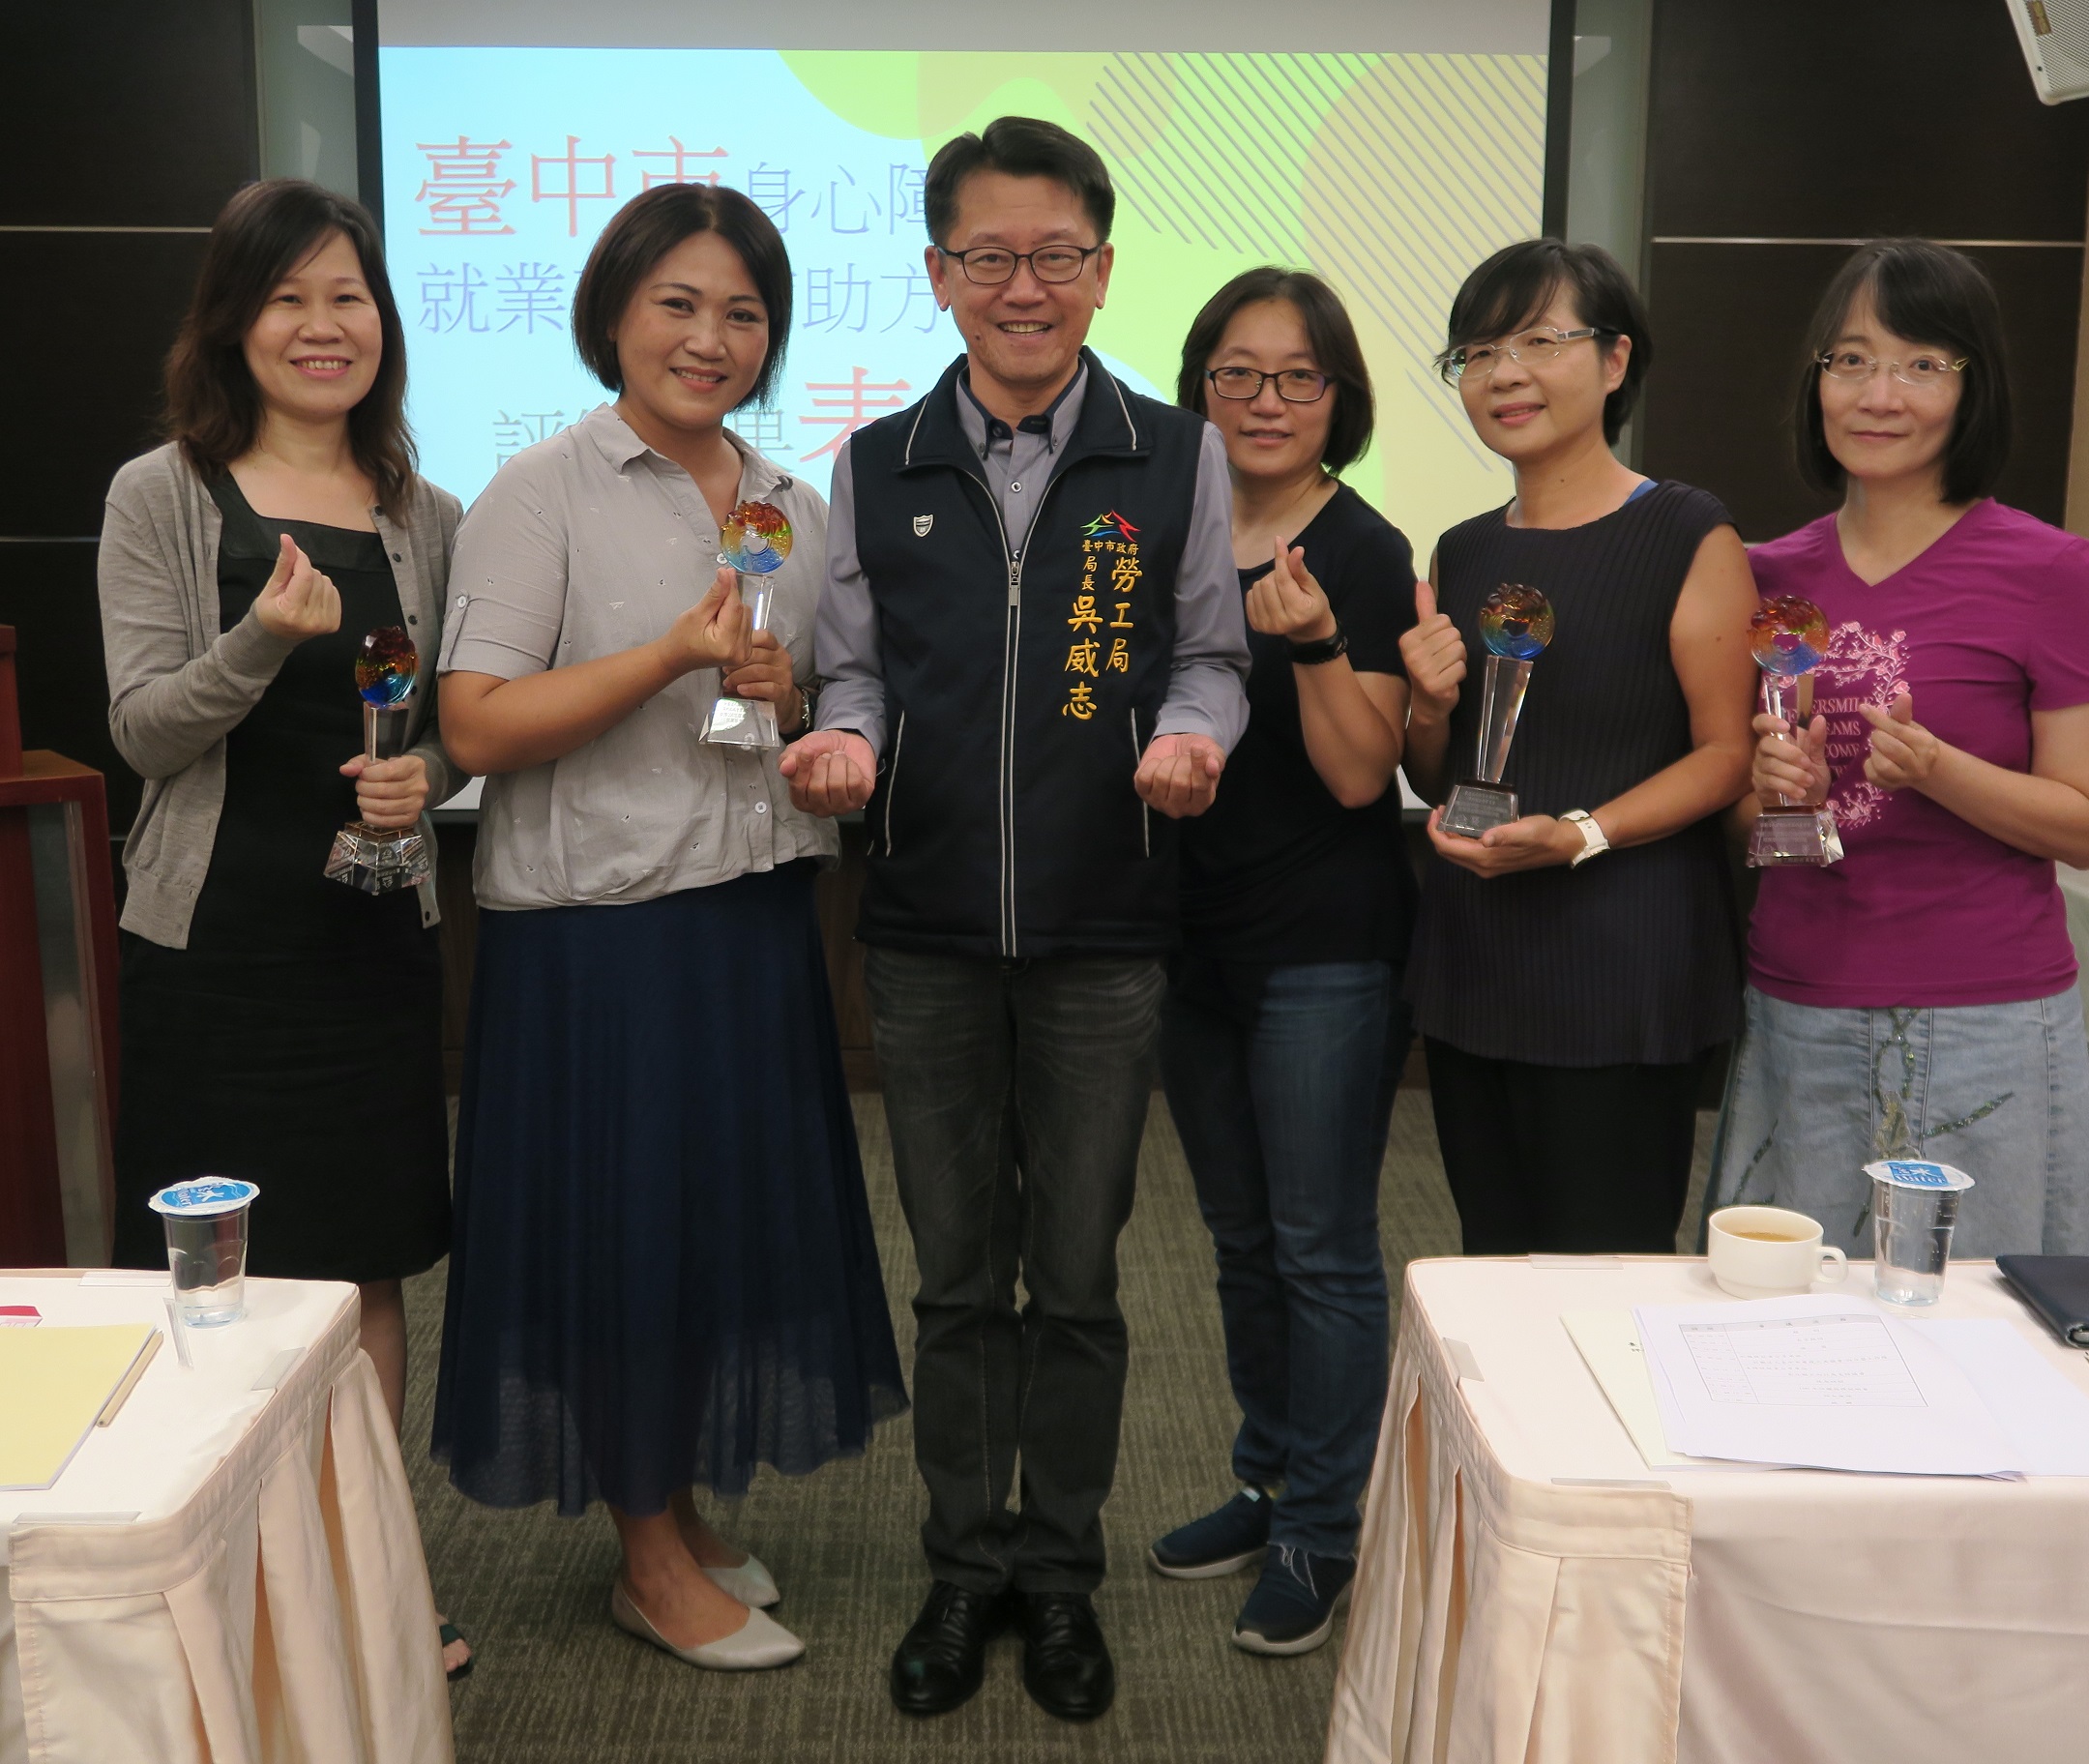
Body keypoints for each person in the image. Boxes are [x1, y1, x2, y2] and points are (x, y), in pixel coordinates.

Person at [780, 116, 1250, 1722]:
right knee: (955, 1278)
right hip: (918, 930)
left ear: (1101, 269)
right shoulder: (876, 464)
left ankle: (1058, 1572)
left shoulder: (1173, 456)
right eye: (989, 256)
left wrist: (1191, 737)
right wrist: (845, 743)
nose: (1022, 286)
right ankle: (960, 1562)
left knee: (1080, 1276)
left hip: (1104, 930)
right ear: (937, 273)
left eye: (1054, 254)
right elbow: (851, 669)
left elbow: (1209, 655)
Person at [430, 182, 906, 1673]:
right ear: (612, 317)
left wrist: (793, 702)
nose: (711, 339)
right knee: (625, 1240)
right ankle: (644, 1557)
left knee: (709, 1233)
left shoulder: (789, 505)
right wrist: (670, 655)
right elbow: (475, 724)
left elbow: (807, 706)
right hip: (602, 941)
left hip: (753, 917)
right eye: (678, 305)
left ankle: (678, 1505)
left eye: (743, 313)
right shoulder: (539, 491)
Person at [98, 179, 473, 1677]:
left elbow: (452, 730)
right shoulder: (162, 494)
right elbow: (142, 731)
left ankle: (367, 1596)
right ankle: (223, 1601)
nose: (325, 327)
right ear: (233, 325)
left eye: (349, 297)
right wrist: (260, 635)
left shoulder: (425, 513)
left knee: (363, 1276)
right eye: (288, 299)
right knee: (218, 1285)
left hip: (370, 946)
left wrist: (424, 780)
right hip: (212, 955)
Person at [1716, 239, 2089, 1256]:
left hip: (1982, 1013)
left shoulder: (2050, 573)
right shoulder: (1763, 577)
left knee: (1967, 1317)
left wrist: (1936, 769)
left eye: (1919, 365)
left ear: (1970, 387)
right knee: (1792, 1308)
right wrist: (1774, 794)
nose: (1877, 394)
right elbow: (1742, 819)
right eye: (1850, 360)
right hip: (1799, 1000)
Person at [1144, 269, 1414, 1658]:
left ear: (1335, 399)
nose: (1263, 401)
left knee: (1319, 1248)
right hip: (1183, 939)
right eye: (1235, 374)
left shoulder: (1361, 547)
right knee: (1238, 1239)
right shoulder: (1165, 530)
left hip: (1322, 949)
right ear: (1198, 386)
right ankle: (1264, 1479)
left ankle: (1324, 1522)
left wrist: (1311, 643)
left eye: (1295, 376)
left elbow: (1361, 776)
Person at [1400, 239, 1757, 1255]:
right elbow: (1442, 771)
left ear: (1613, 359)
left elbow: (1723, 755)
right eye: (1476, 352)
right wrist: (1425, 707)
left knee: (1604, 1273)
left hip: (1621, 961)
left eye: (1537, 341)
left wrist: (1581, 834)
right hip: (1478, 954)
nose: (1502, 374)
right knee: (1492, 1257)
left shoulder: (1686, 530)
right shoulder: (1465, 548)